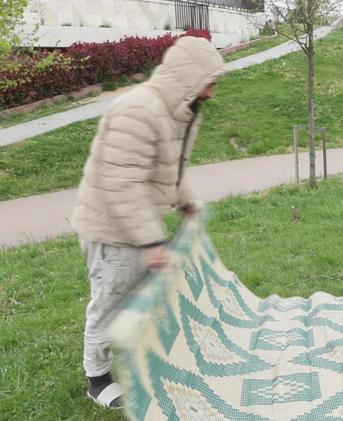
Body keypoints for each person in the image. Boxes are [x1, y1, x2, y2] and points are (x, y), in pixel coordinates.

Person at [70, 36, 224, 408]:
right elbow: (122, 184)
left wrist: (186, 201)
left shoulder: (177, 111)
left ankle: (142, 359)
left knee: (141, 299)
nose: (212, 93)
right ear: (189, 77)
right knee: (109, 304)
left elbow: (167, 169)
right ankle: (98, 379)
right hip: (111, 229)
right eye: (209, 83)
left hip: (136, 226)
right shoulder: (137, 111)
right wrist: (152, 241)